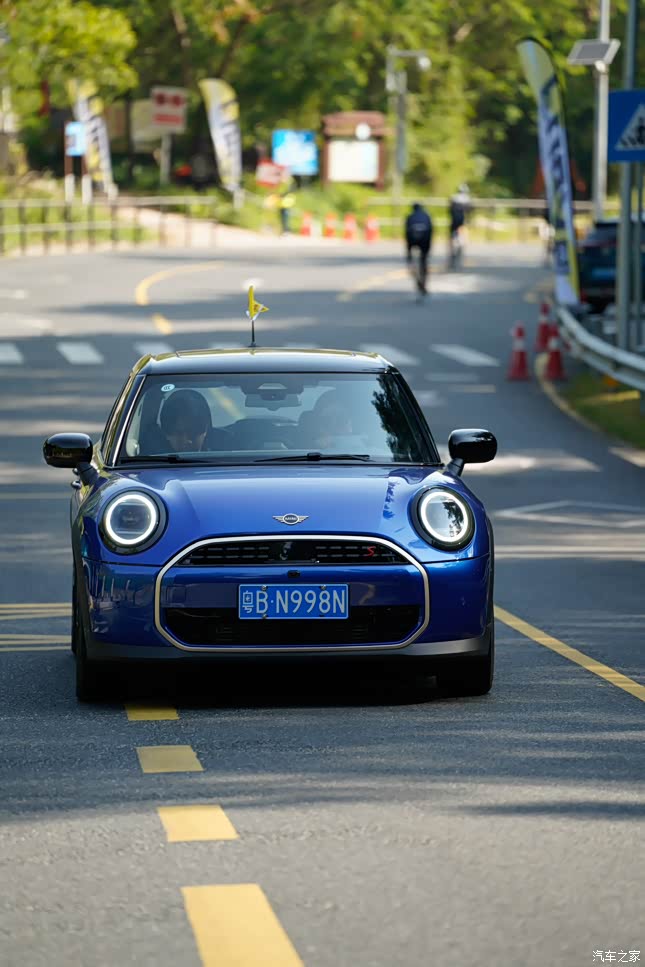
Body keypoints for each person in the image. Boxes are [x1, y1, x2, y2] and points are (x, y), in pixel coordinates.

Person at [404, 202, 433, 297]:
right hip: (425, 239)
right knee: (423, 261)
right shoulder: (426, 216)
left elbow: (406, 233)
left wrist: (408, 252)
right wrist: (428, 249)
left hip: (412, 239)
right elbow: (431, 231)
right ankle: (423, 283)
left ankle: (417, 279)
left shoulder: (410, 216)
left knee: (412, 262)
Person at [448, 184, 471, 267]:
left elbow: (449, 210)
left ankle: (452, 254)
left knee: (452, 238)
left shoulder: (453, 197)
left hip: (454, 221)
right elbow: (469, 211)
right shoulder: (467, 199)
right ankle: (460, 253)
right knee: (463, 237)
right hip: (462, 222)